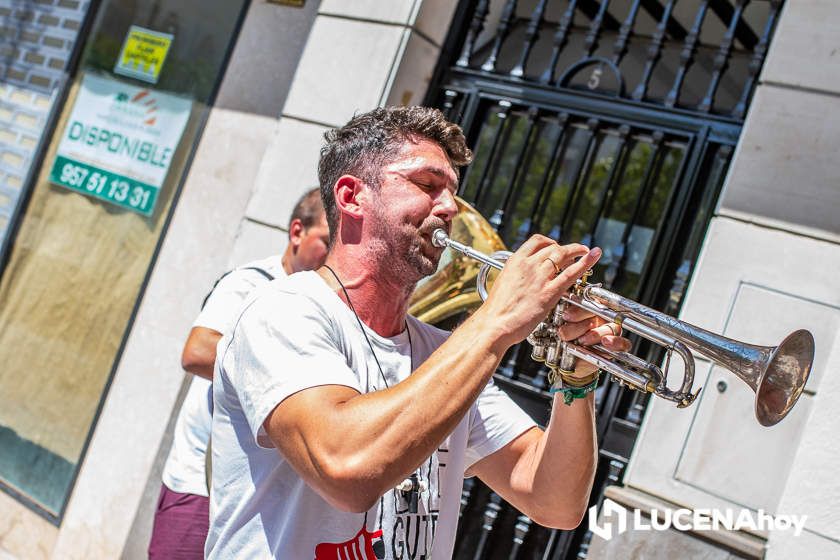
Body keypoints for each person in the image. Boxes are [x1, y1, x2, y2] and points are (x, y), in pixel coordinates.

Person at [206, 106, 631, 559]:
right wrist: (499, 320)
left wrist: (576, 381)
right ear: (352, 197)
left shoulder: (446, 354)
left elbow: (555, 503)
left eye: (452, 191)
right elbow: (347, 470)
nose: (449, 208)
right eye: (427, 185)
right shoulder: (284, 311)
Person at [148, 188, 329, 559]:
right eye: (328, 240)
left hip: (258, 498)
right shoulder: (251, 282)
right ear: (297, 232)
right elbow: (196, 351)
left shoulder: (325, 307)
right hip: (200, 484)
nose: (334, 253)